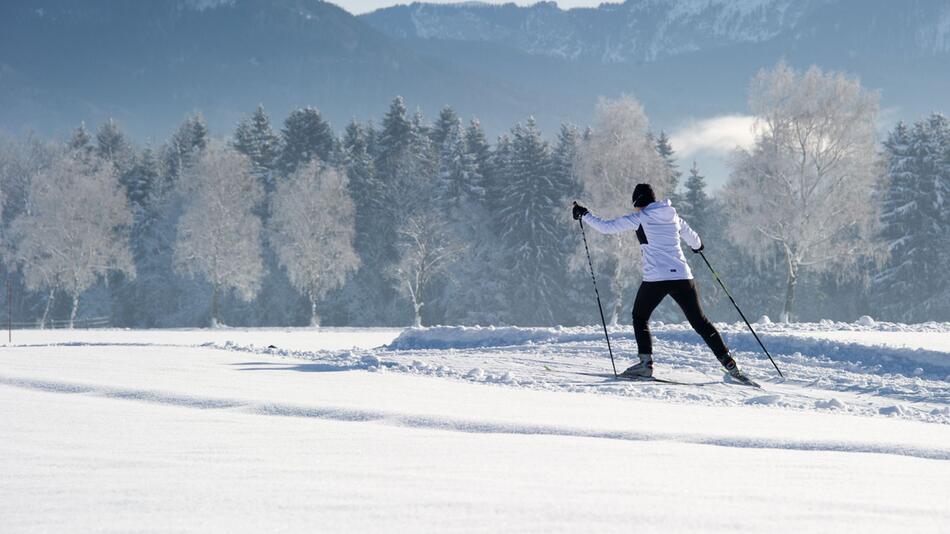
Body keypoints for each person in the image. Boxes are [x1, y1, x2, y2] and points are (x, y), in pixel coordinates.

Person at [572, 183, 751, 383]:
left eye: (636, 205)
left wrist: (584, 214)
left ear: (639, 202)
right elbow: (696, 242)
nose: (636, 209)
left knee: (640, 317)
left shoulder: (641, 218)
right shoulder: (674, 217)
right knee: (700, 322)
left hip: (656, 278)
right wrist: (697, 246)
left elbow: (606, 228)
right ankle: (729, 363)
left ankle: (645, 365)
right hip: (683, 277)